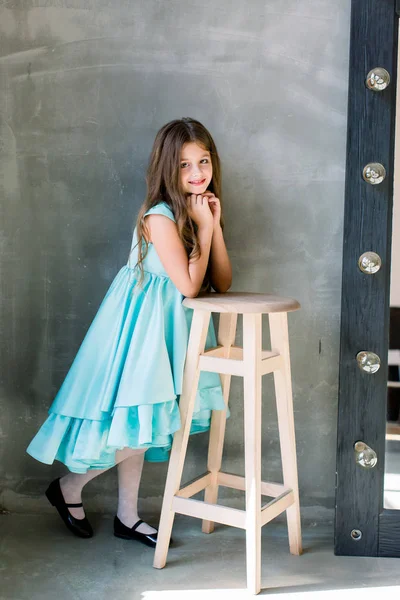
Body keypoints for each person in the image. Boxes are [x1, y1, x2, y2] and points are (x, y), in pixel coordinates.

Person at [26, 117, 232, 547]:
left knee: (144, 422)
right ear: (165, 169)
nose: (196, 173)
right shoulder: (158, 216)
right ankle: (68, 488)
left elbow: (223, 282)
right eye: (183, 165)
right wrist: (206, 229)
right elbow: (191, 285)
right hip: (140, 329)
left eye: (203, 161)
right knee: (138, 422)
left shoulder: (197, 210)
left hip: (168, 329)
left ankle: (126, 515)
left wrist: (213, 223)